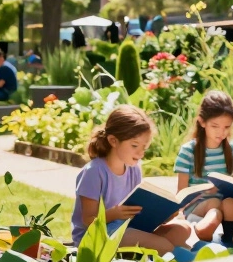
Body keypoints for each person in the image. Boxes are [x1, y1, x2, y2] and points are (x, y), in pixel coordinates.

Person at [71, 105, 194, 254]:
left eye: (145, 147)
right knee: (164, 246)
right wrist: (114, 213)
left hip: (126, 229)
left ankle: (176, 254)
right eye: (135, 145)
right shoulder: (94, 172)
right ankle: (184, 259)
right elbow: (88, 220)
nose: (141, 152)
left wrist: (163, 215)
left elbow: (138, 209)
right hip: (96, 237)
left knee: (183, 229)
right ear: (113, 141)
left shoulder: (134, 169)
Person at [175, 91, 233, 243]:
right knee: (214, 203)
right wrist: (206, 190)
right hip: (197, 207)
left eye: (227, 127)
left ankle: (229, 237)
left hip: (227, 208)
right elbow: (181, 194)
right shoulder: (188, 151)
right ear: (202, 122)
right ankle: (204, 230)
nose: (222, 132)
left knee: (228, 202)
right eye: (215, 126)